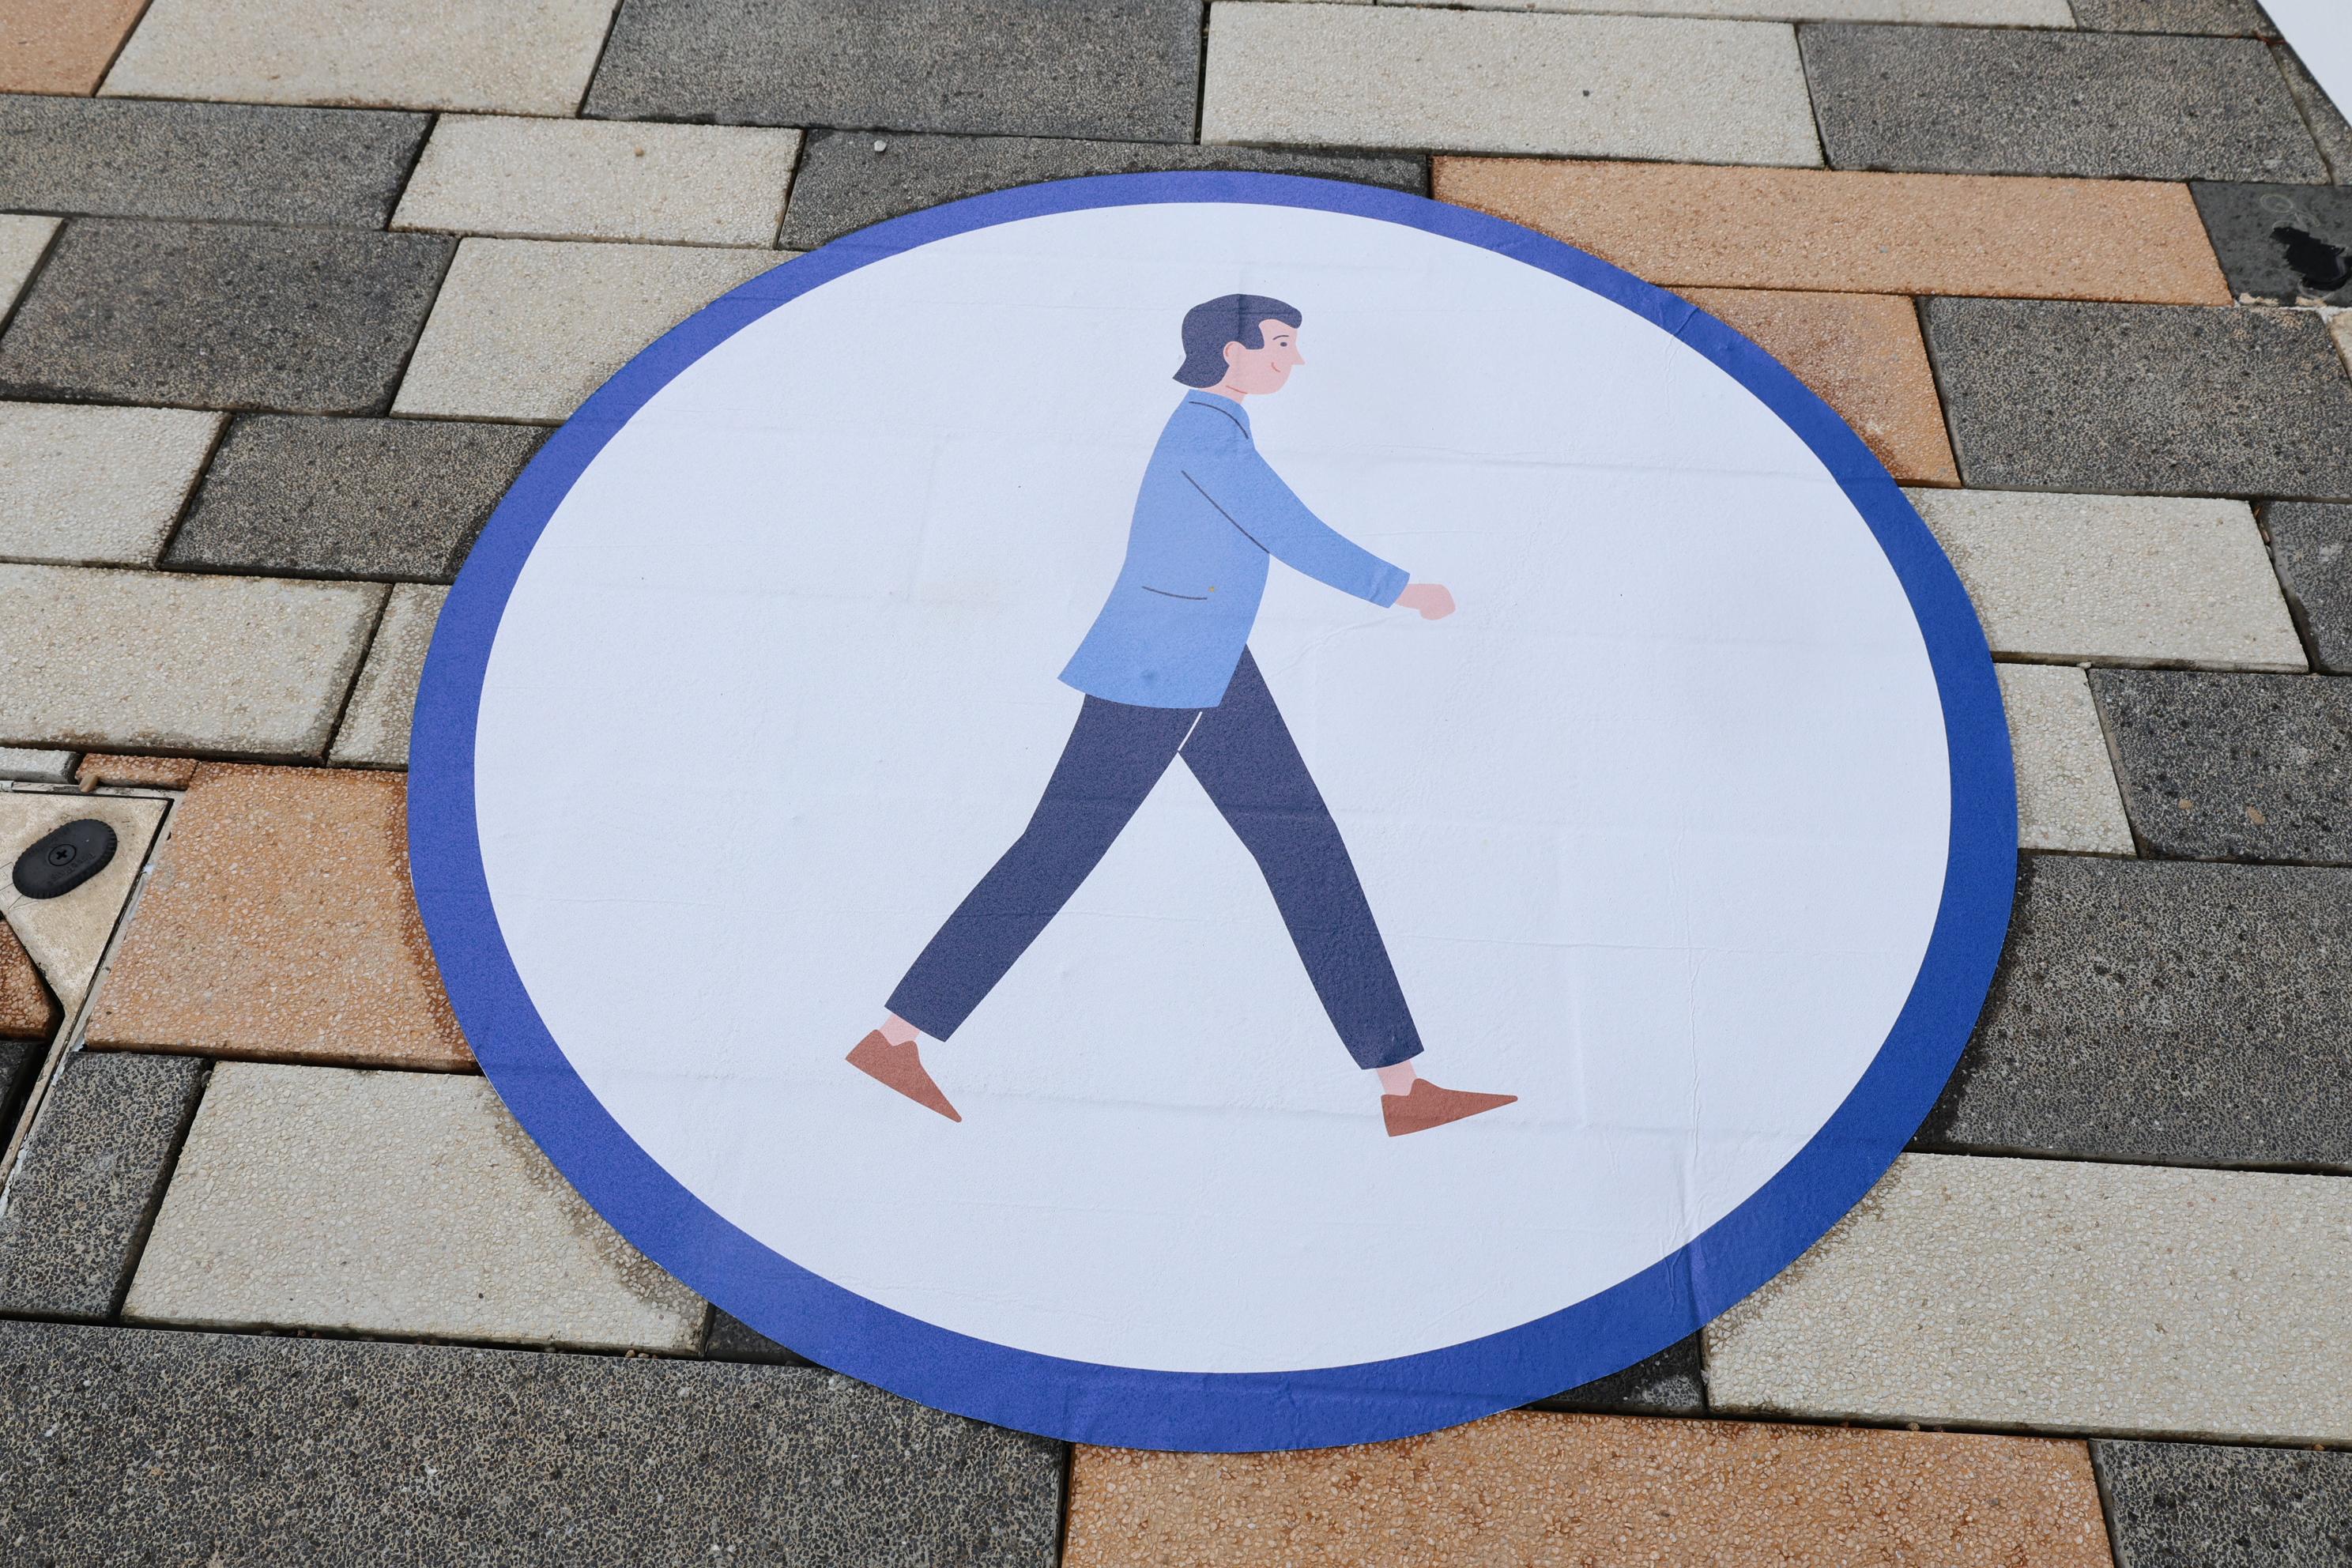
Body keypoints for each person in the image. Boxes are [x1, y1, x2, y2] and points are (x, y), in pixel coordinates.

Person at [849, 294, 1516, 1138]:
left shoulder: (1220, 428)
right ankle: (895, 1035)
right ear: (1229, 351)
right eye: (1280, 344)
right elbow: (1289, 529)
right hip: (1157, 672)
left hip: (1202, 668)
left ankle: (1401, 1083)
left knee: (1301, 847)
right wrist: (1402, 589)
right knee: (1061, 851)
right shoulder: (1206, 434)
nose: (1294, 360)